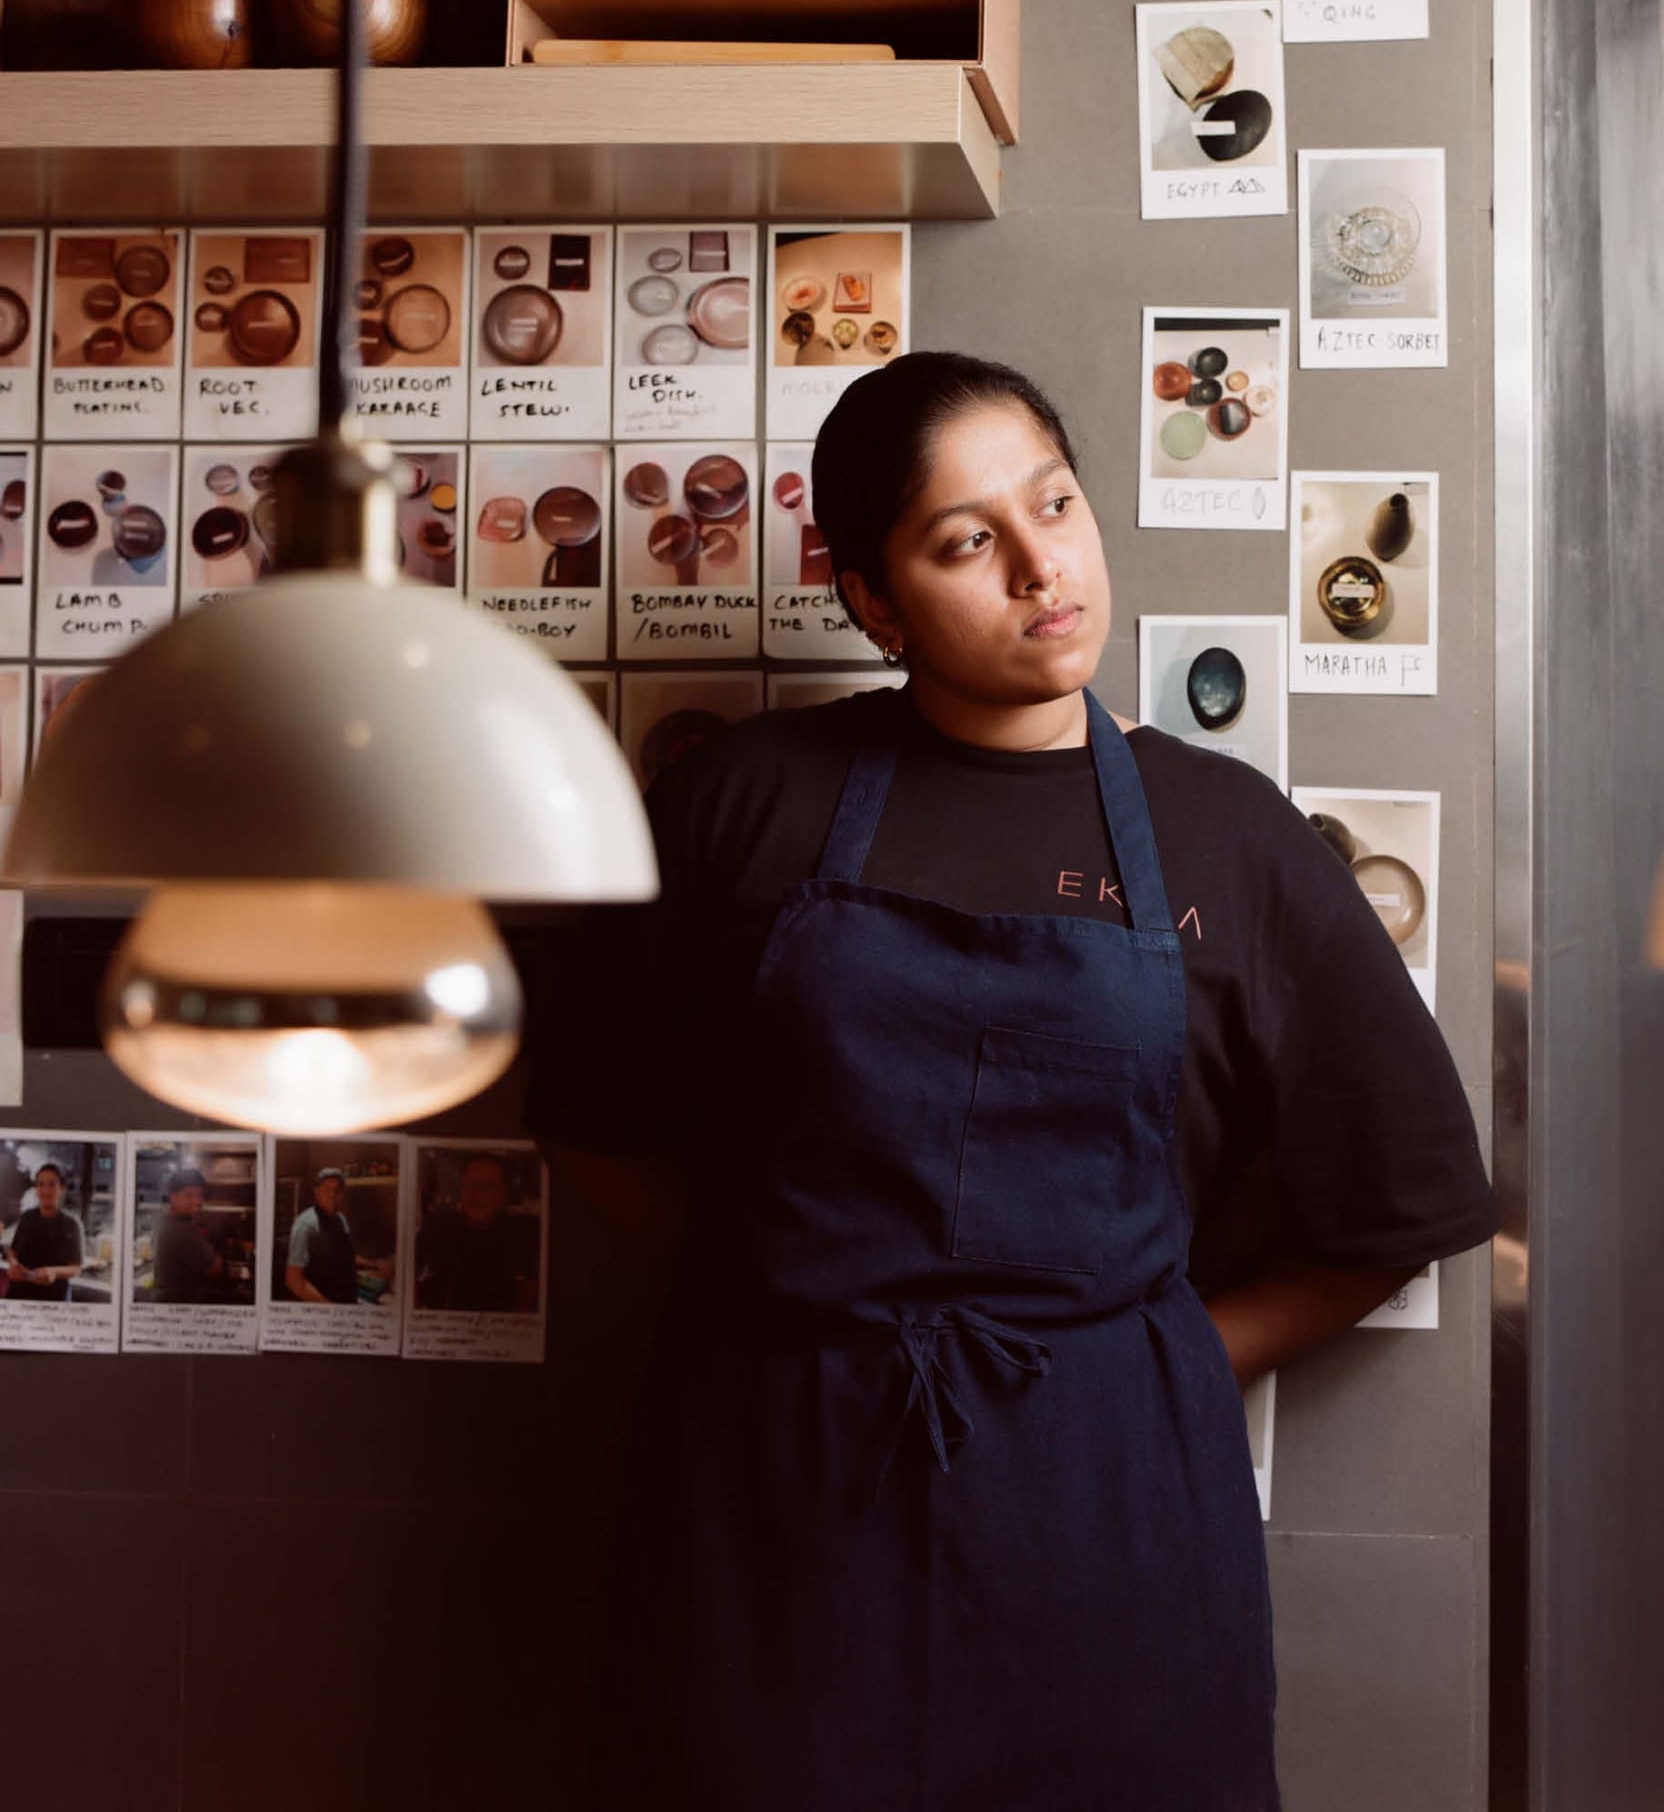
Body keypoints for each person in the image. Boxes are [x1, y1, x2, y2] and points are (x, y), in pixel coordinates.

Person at [533, 352, 1497, 1811]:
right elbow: (596, 1120)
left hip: (1109, 1514)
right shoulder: (749, 799)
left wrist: (1148, 1365)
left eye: (1055, 503)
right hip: (774, 1503)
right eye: (967, 541)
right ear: (872, 597)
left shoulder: (1230, 839)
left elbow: (1398, 1201)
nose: (1044, 565)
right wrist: (793, 1310)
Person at [413, 1152, 540, 1314]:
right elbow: (410, 1282)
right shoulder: (435, 1230)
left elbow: (529, 1293)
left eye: (488, 1187)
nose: (477, 1194)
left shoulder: (524, 1235)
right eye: (470, 1185)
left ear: (504, 1194)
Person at [283, 1166, 387, 1306]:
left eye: (337, 1191)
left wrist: (374, 1264)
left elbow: (344, 1255)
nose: (332, 1195)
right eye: (327, 1190)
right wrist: (330, 1309)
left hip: (348, 1300)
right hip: (323, 1308)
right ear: (317, 1192)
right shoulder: (305, 1225)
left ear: (342, 1194)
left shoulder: (340, 1219)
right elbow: (294, 1281)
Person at [5, 1161, 88, 1304]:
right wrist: (13, 1265)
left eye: (52, 1184)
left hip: (54, 1295)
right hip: (20, 1291)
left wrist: (53, 1271)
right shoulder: (27, 1217)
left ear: (62, 1189)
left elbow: (76, 1268)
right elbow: (13, 1252)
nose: (45, 1190)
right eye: (41, 1184)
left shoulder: (72, 1223)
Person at [150, 1164, 223, 1304]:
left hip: (162, 1299)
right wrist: (218, 1255)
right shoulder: (184, 1229)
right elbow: (214, 1268)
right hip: (180, 1303)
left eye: (200, 1195)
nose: (198, 1201)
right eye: (189, 1195)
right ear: (173, 1197)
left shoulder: (162, 1218)